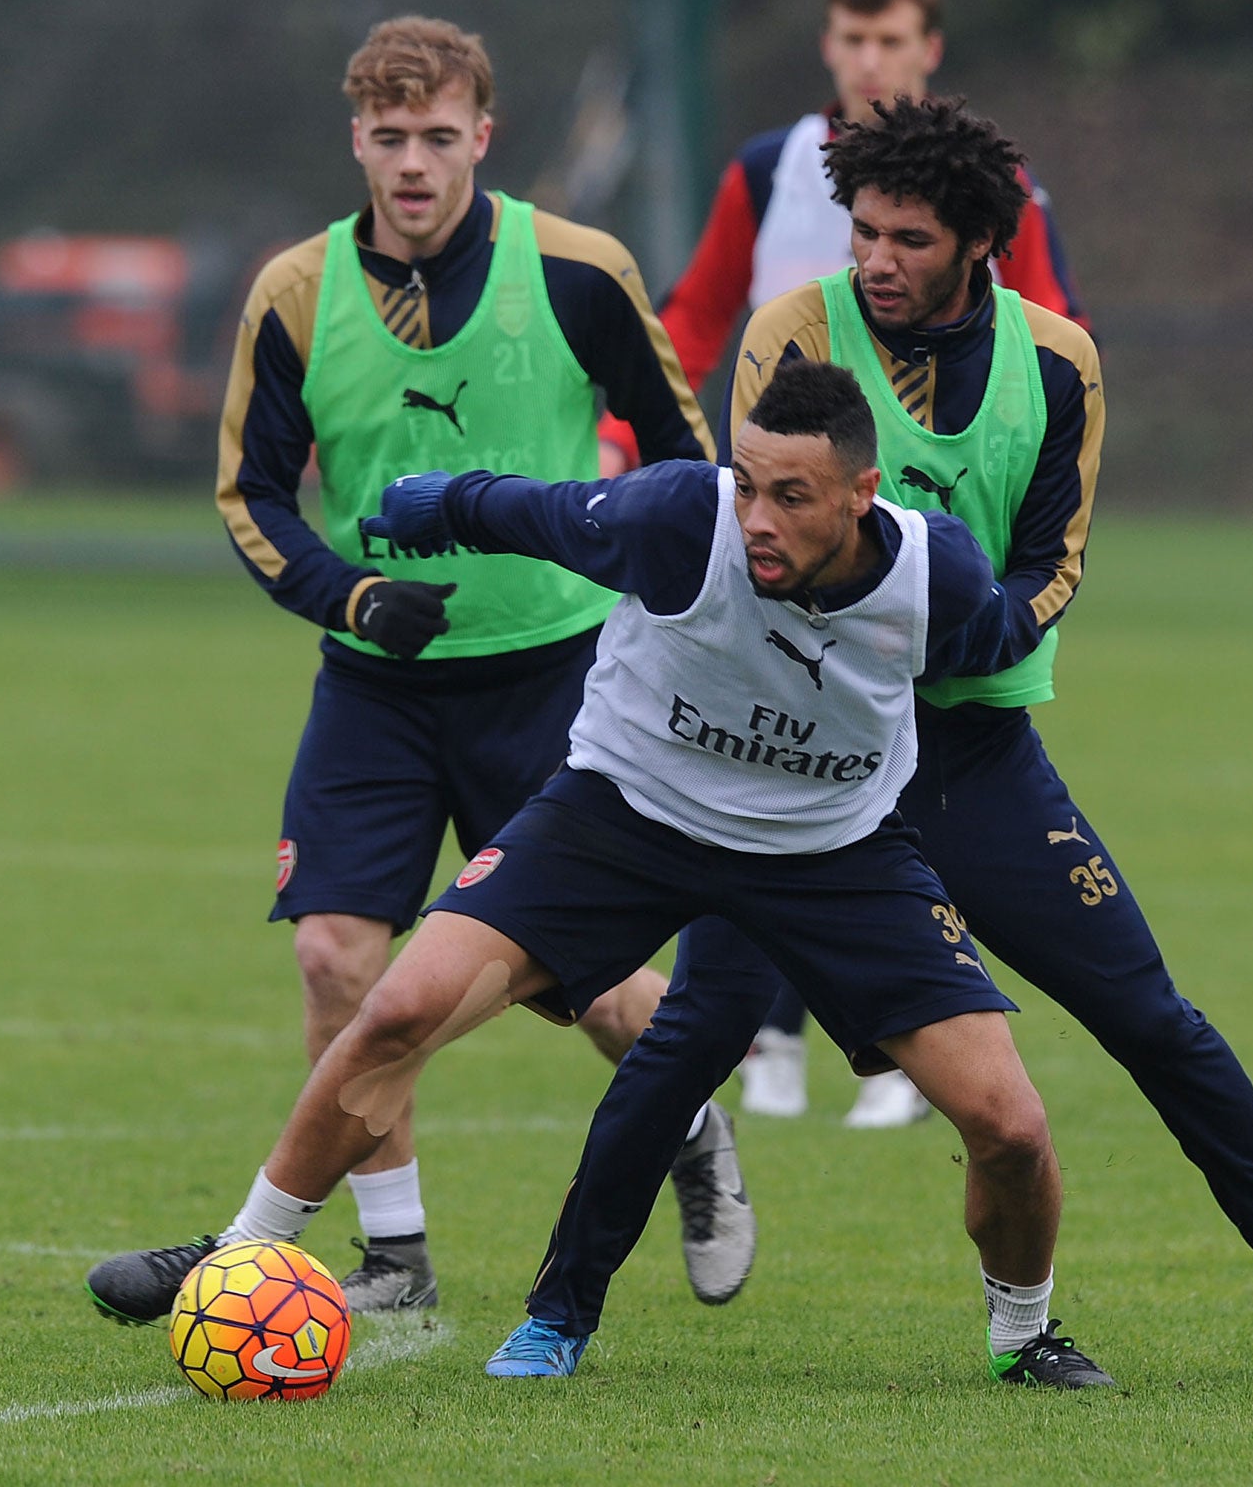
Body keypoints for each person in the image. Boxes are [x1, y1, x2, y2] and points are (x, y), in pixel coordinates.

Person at [493, 96, 1253, 1384]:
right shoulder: (793, 336)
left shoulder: (1057, 362)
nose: (873, 260)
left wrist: (980, 634)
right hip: (799, 758)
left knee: (1154, 1020)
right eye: (863, 232)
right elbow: (751, 534)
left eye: (906, 237)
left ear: (978, 243)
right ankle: (557, 1317)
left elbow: (1051, 561)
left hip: (970, 760)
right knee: (692, 1034)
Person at [111, 360, 1116, 1390]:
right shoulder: (682, 520)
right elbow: (531, 510)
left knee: (1009, 1125)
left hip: (833, 852)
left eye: (792, 496)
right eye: (748, 483)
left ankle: (1022, 1335)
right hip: (622, 818)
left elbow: (995, 634)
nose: (757, 517)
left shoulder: (931, 572)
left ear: (863, 495)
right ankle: (240, 1253)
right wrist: (438, 504)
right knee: (398, 1010)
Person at [86, 15, 751, 1324]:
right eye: (388, 139)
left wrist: (673, 609)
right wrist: (353, 592)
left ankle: (697, 1136)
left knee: (608, 996)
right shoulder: (294, 291)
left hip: (560, 684)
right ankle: (394, 1259)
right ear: (357, 139)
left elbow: (689, 462)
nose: (411, 164)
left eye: (437, 138)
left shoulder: (576, 272)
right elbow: (249, 495)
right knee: (337, 956)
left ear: (482, 139)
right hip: (376, 689)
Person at [604, 0, 1088, 1128]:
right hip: (782, 519)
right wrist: (630, 434)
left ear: (927, 51)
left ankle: (912, 1020)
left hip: (922, 554)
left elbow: (1047, 330)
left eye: (892, 42)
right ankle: (765, 1035)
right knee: (746, 750)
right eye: (850, 40)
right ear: (827, 46)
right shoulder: (770, 172)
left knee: (904, 781)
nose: (869, 58)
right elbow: (691, 314)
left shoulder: (992, 195)